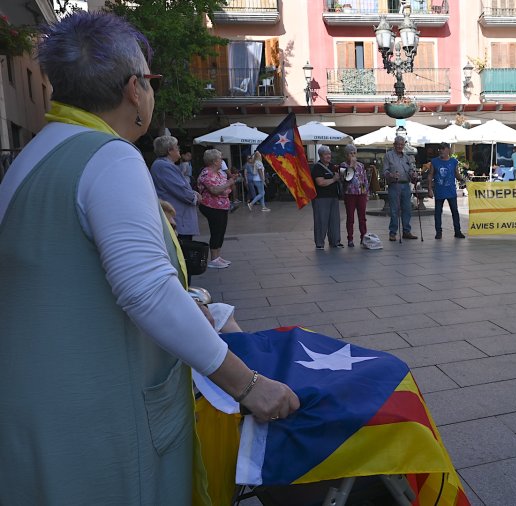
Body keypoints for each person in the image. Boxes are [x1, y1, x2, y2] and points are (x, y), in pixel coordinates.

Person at [0, 12, 298, 505]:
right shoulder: (110, 156)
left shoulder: (29, 158)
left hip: (32, 413)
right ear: (135, 90)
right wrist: (247, 386)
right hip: (99, 424)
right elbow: (146, 290)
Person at [150, 135, 200, 242]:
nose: (179, 150)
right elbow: (180, 190)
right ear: (169, 150)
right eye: (176, 147)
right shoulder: (163, 166)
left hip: (179, 217)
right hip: (178, 218)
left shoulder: (165, 165)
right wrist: (194, 197)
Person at [198, 148, 237, 268]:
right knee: (216, 231)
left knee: (221, 231)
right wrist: (228, 184)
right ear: (214, 161)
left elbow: (225, 190)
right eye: (220, 159)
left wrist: (226, 186)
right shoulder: (206, 173)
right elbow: (215, 190)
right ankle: (213, 259)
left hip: (222, 206)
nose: (221, 161)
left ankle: (218, 256)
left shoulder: (220, 173)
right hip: (211, 206)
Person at [428, 143, 466, 240]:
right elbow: (430, 175)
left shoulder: (454, 161)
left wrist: (463, 180)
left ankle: (457, 231)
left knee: (455, 211)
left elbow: (456, 173)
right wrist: (430, 189)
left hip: (451, 191)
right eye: (439, 149)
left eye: (442, 149)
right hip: (439, 190)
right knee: (438, 212)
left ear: (448, 150)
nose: (440, 151)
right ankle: (438, 232)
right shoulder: (434, 162)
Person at [383, 136, 418, 241]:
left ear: (404, 145)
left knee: (407, 209)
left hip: (406, 185)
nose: (399, 146)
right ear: (394, 144)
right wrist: (391, 175)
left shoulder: (407, 157)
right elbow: (384, 172)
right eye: (398, 144)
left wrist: (414, 174)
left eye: (401, 144)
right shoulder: (388, 156)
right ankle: (392, 233)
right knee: (394, 210)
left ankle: (406, 231)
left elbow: (411, 170)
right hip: (394, 185)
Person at [311, 145, 343, 249]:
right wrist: (334, 179)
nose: (329, 156)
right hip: (321, 198)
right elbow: (320, 182)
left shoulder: (333, 166)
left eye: (329, 154)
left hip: (333, 197)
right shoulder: (317, 167)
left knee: (334, 221)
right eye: (326, 154)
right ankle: (319, 244)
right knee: (321, 221)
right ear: (320, 156)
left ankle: (335, 242)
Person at [340, 144, 369, 247]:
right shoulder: (343, 166)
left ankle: (363, 237)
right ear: (346, 155)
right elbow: (346, 179)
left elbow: (365, 179)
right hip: (350, 194)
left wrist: (367, 193)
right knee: (350, 218)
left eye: (354, 153)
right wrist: (351, 166)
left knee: (362, 217)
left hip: (361, 194)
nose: (352, 155)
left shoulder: (361, 165)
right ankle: (350, 239)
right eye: (350, 153)